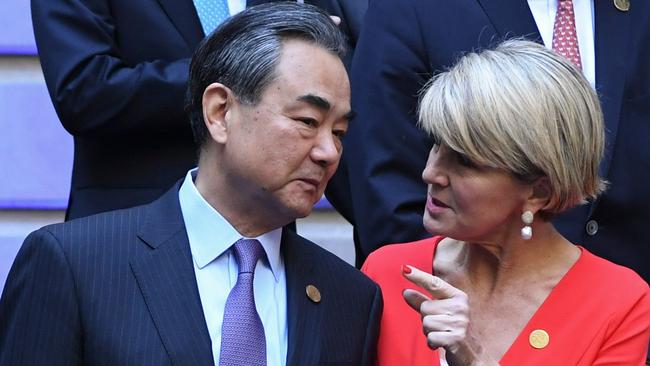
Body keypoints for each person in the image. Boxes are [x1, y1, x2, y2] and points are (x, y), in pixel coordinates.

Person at [0, 4, 381, 365]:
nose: (329, 152)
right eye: (307, 122)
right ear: (219, 111)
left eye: (341, 132)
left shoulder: (350, 298)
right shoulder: (76, 267)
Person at [362, 40, 650, 365]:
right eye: (436, 145)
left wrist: (473, 361)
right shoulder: (386, 270)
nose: (431, 173)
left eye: (464, 162)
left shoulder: (617, 302)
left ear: (539, 192)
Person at [346, 0, 650, 282]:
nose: (433, 172)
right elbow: (386, 187)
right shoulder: (414, 8)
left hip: (631, 313)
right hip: (451, 307)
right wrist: (461, 300)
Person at [31, 0, 363, 220]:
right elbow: (84, 91)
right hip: (130, 229)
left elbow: (325, 106)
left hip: (267, 238)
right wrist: (235, 64)